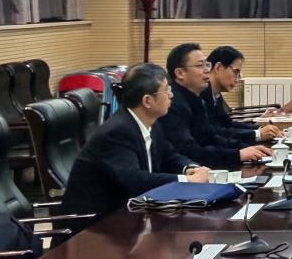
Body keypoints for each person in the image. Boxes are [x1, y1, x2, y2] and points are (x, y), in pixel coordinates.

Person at [61, 62, 213, 219]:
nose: (171, 95)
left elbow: (170, 156)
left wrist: (189, 168)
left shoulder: (150, 123)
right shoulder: (117, 132)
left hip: (129, 214)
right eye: (166, 90)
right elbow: (135, 180)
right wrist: (187, 180)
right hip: (95, 222)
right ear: (147, 101)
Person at [163, 43, 266, 170]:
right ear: (180, 73)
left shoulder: (195, 98)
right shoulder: (173, 104)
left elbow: (211, 137)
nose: (207, 70)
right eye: (200, 65)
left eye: (206, 65)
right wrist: (237, 154)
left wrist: (244, 149)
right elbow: (189, 150)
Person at [201, 45, 281, 147]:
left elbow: (227, 124)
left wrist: (259, 129)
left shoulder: (215, 93)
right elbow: (214, 132)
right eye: (236, 72)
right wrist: (257, 134)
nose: (237, 80)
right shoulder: (200, 94)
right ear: (218, 67)